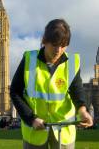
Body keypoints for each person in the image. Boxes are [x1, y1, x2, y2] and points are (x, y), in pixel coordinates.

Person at [10, 19, 93, 149]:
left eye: (64, 45)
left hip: (63, 130)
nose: (59, 50)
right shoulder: (29, 59)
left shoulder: (72, 62)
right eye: (54, 44)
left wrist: (82, 111)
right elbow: (15, 91)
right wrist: (31, 119)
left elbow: (77, 91)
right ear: (44, 40)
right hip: (35, 129)